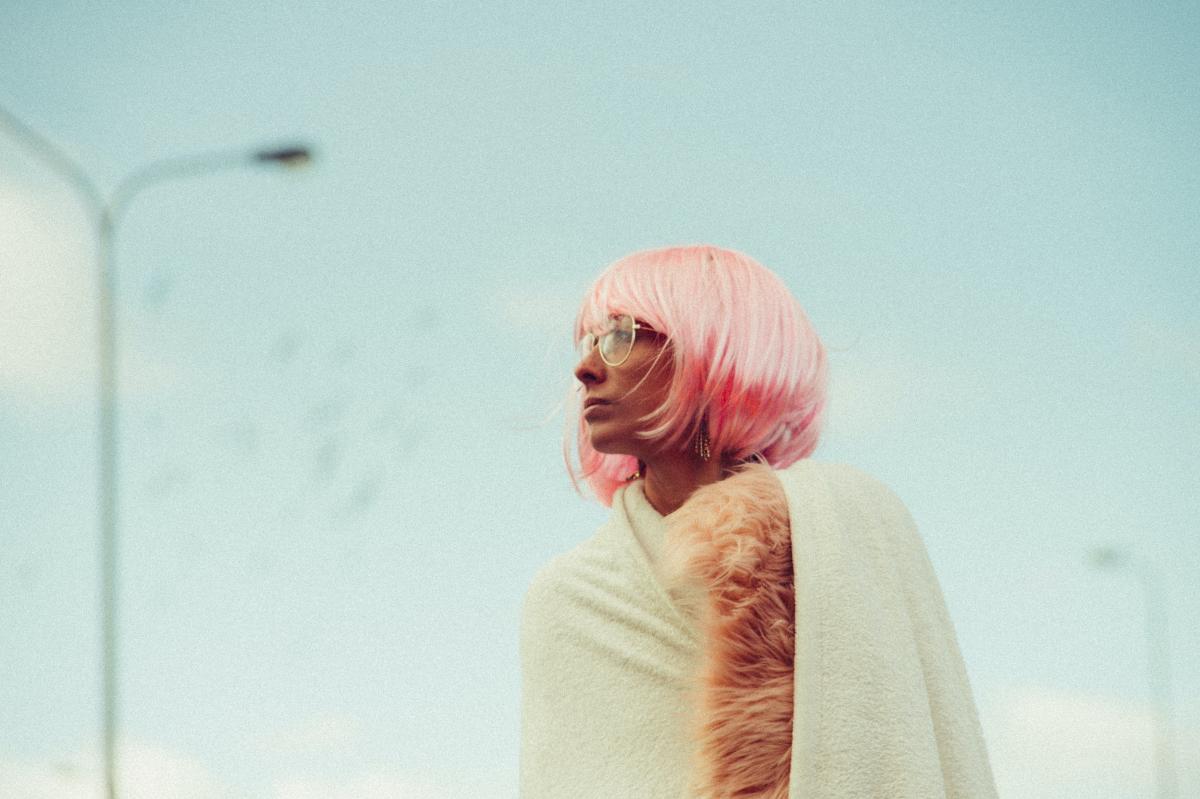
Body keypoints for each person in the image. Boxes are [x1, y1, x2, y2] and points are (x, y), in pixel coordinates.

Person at [519, 245, 997, 799]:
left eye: (622, 335)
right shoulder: (568, 598)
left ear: (712, 350)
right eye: (590, 341)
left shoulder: (844, 532)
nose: (585, 367)